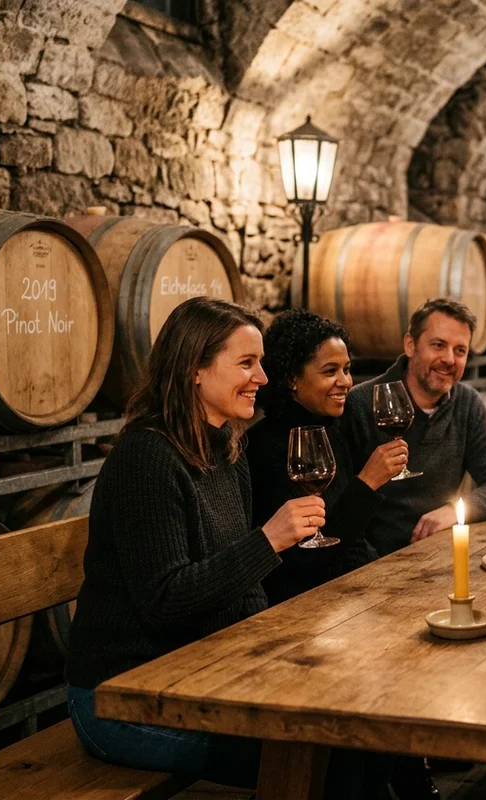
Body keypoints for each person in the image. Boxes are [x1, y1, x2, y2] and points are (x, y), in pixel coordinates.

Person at [65, 297, 385, 796]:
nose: (262, 377)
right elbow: (165, 600)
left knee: (354, 722)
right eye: (246, 363)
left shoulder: (226, 447)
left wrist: (276, 652)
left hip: (201, 674)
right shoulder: (147, 457)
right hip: (122, 698)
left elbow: (243, 586)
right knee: (325, 751)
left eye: (260, 362)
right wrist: (270, 540)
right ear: (195, 369)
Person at [247, 308, 409, 603]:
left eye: (346, 369)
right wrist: (367, 483)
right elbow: (307, 560)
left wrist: (385, 581)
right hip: (300, 607)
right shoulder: (264, 446)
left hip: (347, 595)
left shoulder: (330, 431)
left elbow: (353, 541)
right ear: (292, 378)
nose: (346, 381)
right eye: (330, 371)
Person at [341, 296, 486, 556]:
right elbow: (341, 508)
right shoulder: (361, 403)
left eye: (460, 350)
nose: (449, 359)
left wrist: (453, 512)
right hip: (372, 563)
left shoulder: (467, 403)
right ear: (410, 345)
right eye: (438, 345)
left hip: (436, 557)